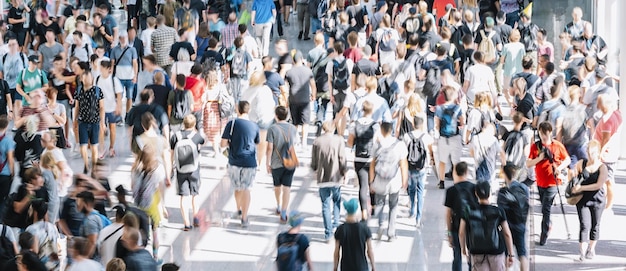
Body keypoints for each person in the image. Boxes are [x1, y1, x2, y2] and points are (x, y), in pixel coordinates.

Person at [526, 122, 570, 246]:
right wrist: (539, 158)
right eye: (541, 133)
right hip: (540, 182)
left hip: (553, 182)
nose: (543, 136)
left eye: (545, 134)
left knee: (546, 208)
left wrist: (559, 168)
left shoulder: (557, 145)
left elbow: (567, 159)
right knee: (544, 208)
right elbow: (528, 163)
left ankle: (543, 235)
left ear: (550, 132)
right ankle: (548, 224)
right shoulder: (536, 146)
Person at [459, 181, 515, 270]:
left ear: (476, 193)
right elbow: (507, 234)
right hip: (496, 251)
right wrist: (511, 254)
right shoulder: (498, 211)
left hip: (477, 251)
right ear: (489, 193)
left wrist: (463, 249)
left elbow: (461, 232)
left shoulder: (468, 211)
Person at [221, 101, 260, 228]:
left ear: (238, 110)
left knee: (237, 187)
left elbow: (222, 144)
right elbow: (257, 143)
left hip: (234, 161)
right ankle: (244, 217)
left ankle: (238, 209)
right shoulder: (254, 126)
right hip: (249, 161)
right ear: (248, 110)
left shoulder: (231, 124)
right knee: (246, 188)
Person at [571, 140, 611, 261]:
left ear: (598, 153)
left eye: (592, 153)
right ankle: (582, 253)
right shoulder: (581, 163)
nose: (590, 156)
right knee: (584, 225)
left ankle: (591, 249)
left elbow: (599, 185)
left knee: (595, 225)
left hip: (598, 200)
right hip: (582, 200)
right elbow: (573, 176)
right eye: (588, 153)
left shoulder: (602, 167)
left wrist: (581, 187)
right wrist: (572, 182)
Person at [370, 121, 408, 241]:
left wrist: (371, 181)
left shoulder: (377, 144)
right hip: (394, 180)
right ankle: (391, 233)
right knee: (393, 206)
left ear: (381, 131)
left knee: (380, 204)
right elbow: (403, 164)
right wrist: (404, 180)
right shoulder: (399, 144)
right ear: (391, 130)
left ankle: (381, 225)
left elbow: (372, 164)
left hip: (380, 180)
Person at [311, 121, 346, 242]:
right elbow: (342, 158)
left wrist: (315, 169)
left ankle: (328, 233)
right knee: (336, 200)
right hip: (336, 176)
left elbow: (314, 162)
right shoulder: (339, 140)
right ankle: (336, 223)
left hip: (323, 178)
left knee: (325, 205)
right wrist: (344, 172)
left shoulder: (317, 141)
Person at [170, 114, 204, 230]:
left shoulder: (176, 136)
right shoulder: (196, 136)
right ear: (194, 124)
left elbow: (171, 153)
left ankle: (186, 224)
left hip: (181, 170)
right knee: (195, 194)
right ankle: (196, 217)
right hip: (194, 169)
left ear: (183, 124)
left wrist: (170, 168)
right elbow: (202, 144)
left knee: (184, 196)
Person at [347, 100, 379, 220]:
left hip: (359, 158)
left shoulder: (354, 124)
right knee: (372, 183)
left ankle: (364, 211)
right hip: (371, 159)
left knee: (362, 186)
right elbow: (377, 142)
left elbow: (350, 143)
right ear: (372, 111)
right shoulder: (375, 125)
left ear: (362, 110)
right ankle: (374, 207)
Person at [131, 144, 165, 260]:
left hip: (138, 205)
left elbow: (132, 186)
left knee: (139, 230)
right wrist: (162, 205)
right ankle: (155, 256)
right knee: (155, 231)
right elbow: (160, 189)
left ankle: (140, 253)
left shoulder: (135, 168)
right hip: (152, 204)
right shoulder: (158, 169)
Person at [266, 106, 298, 222]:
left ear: (276, 115)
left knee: (277, 186)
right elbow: (294, 145)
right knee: (287, 188)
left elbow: (269, 148)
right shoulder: (293, 128)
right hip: (290, 162)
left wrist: (267, 163)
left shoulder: (272, 129)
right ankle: (284, 212)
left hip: (276, 163)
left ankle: (278, 205)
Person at [444, 162, 477, 271]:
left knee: (457, 256)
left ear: (455, 173)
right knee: (472, 257)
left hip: (456, 227)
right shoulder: (474, 188)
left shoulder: (451, 191)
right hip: (472, 227)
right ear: (466, 172)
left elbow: (448, 214)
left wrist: (449, 233)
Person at [496, 165, 530, 271]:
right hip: (521, 224)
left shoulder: (503, 191)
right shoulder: (524, 188)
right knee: (522, 254)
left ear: (505, 175)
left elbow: (500, 210)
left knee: (506, 255)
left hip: (508, 227)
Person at [402, 114, 433, 227]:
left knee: (411, 189)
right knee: (420, 191)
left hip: (410, 167)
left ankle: (412, 210)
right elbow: (430, 150)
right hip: (422, 167)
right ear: (422, 124)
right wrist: (432, 160)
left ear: (413, 124)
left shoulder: (407, 136)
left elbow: (404, 153)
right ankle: (418, 218)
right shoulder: (427, 137)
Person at [591, 94, 621, 209]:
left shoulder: (607, 121)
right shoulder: (617, 114)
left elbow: (605, 138)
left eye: (599, 103)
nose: (597, 106)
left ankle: (607, 206)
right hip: (612, 153)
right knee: (608, 180)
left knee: (607, 180)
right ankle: (606, 204)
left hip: (606, 155)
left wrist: (600, 153)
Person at [241, 71, 275, 167]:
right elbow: (270, 104)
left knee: (250, 141)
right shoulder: (265, 89)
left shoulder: (248, 90)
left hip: (250, 119)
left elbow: (243, 103)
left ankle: (250, 159)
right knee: (262, 142)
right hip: (264, 118)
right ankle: (260, 163)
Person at [74, 70, 104, 174]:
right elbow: (77, 107)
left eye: (89, 77)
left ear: (92, 78)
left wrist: (102, 122)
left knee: (94, 146)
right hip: (83, 122)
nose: (87, 79)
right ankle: (86, 164)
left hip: (95, 122)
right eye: (85, 77)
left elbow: (102, 107)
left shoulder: (97, 91)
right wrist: (75, 119)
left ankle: (94, 167)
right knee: (83, 145)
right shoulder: (78, 91)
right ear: (81, 79)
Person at [333, 198, 375, 271]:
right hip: (362, 267)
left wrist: (335, 268)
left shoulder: (340, 229)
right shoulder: (365, 228)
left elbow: (337, 252)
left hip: (346, 268)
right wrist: (373, 267)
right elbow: (369, 251)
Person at [435, 86, 465, 189]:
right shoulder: (458, 108)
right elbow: (462, 122)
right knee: (456, 161)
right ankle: (456, 183)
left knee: (442, 161)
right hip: (455, 137)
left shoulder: (439, 108)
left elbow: (437, 124)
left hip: (443, 138)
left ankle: (441, 182)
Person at [285, 51, 315, 149]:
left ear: (293, 61)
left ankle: (294, 141)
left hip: (293, 99)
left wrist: (285, 99)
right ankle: (304, 142)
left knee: (295, 122)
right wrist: (313, 95)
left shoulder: (289, 72)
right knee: (305, 122)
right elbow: (313, 85)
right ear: (302, 59)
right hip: (305, 99)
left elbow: (285, 87)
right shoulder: (308, 71)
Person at [95, 60, 123, 159]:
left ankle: (111, 147)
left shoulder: (114, 79)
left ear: (108, 69)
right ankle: (102, 149)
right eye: (100, 68)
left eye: (103, 69)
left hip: (112, 107)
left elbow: (119, 94)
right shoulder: (98, 79)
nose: (101, 71)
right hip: (101, 108)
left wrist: (119, 106)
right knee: (101, 129)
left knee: (112, 128)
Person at [110, 31, 139, 115]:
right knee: (118, 97)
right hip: (119, 76)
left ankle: (128, 114)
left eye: (125, 37)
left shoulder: (132, 49)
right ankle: (119, 115)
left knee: (129, 97)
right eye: (121, 38)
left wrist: (135, 75)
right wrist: (111, 76)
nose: (123, 40)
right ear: (119, 39)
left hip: (129, 76)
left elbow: (135, 63)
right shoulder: (115, 50)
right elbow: (112, 63)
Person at [76, 191, 105, 260]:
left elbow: (92, 242)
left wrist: (85, 259)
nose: (77, 205)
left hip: (94, 259)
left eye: (79, 202)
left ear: (87, 204)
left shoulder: (90, 220)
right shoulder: (97, 215)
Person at [0, 115, 15, 214]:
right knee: (2, 200)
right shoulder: (8, 141)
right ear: (7, 126)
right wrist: (13, 172)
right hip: (4, 174)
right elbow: (10, 159)